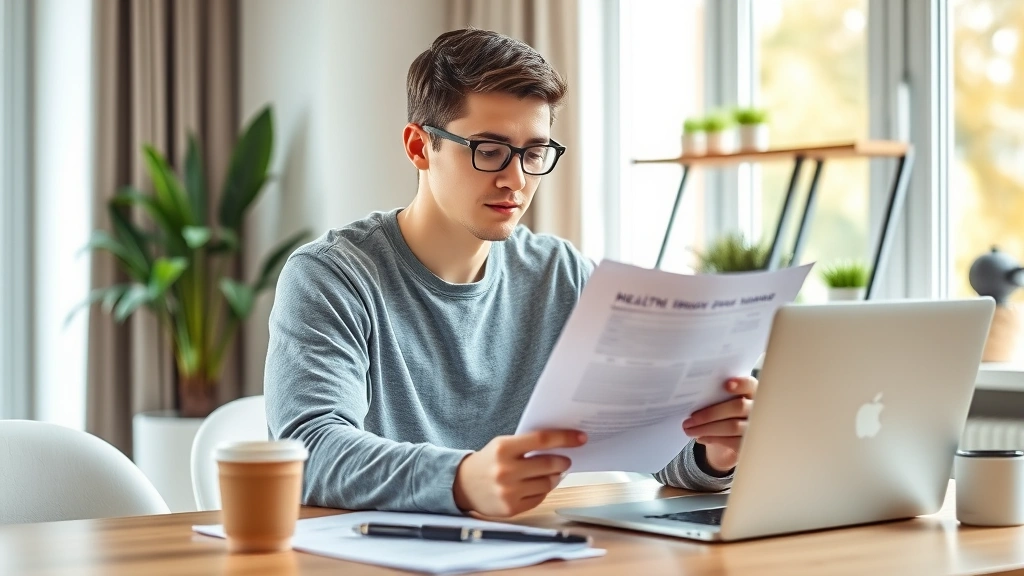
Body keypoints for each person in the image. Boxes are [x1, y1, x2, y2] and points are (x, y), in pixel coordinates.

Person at [265, 28, 757, 518]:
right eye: (489, 149)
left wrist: (713, 451)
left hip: (532, 551)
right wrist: (460, 480)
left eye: (534, 152)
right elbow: (307, 451)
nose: (516, 179)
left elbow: (647, 442)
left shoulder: (561, 276)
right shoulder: (330, 278)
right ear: (419, 147)